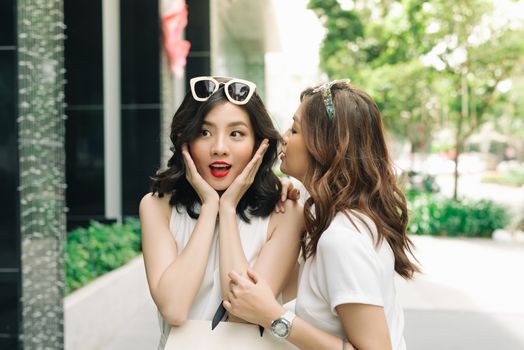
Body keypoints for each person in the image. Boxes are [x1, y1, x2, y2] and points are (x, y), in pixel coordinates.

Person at [223, 80, 420, 350]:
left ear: (325, 146)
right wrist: (291, 189)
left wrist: (273, 316)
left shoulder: (342, 240)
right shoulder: (334, 214)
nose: (284, 136)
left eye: (295, 129)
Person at [139, 76, 304, 349]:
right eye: (204, 132)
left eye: (236, 133)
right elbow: (174, 308)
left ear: (260, 144)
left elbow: (243, 312)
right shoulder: (157, 207)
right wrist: (209, 208)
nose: (219, 148)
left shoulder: (284, 211)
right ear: (185, 141)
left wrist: (227, 210)